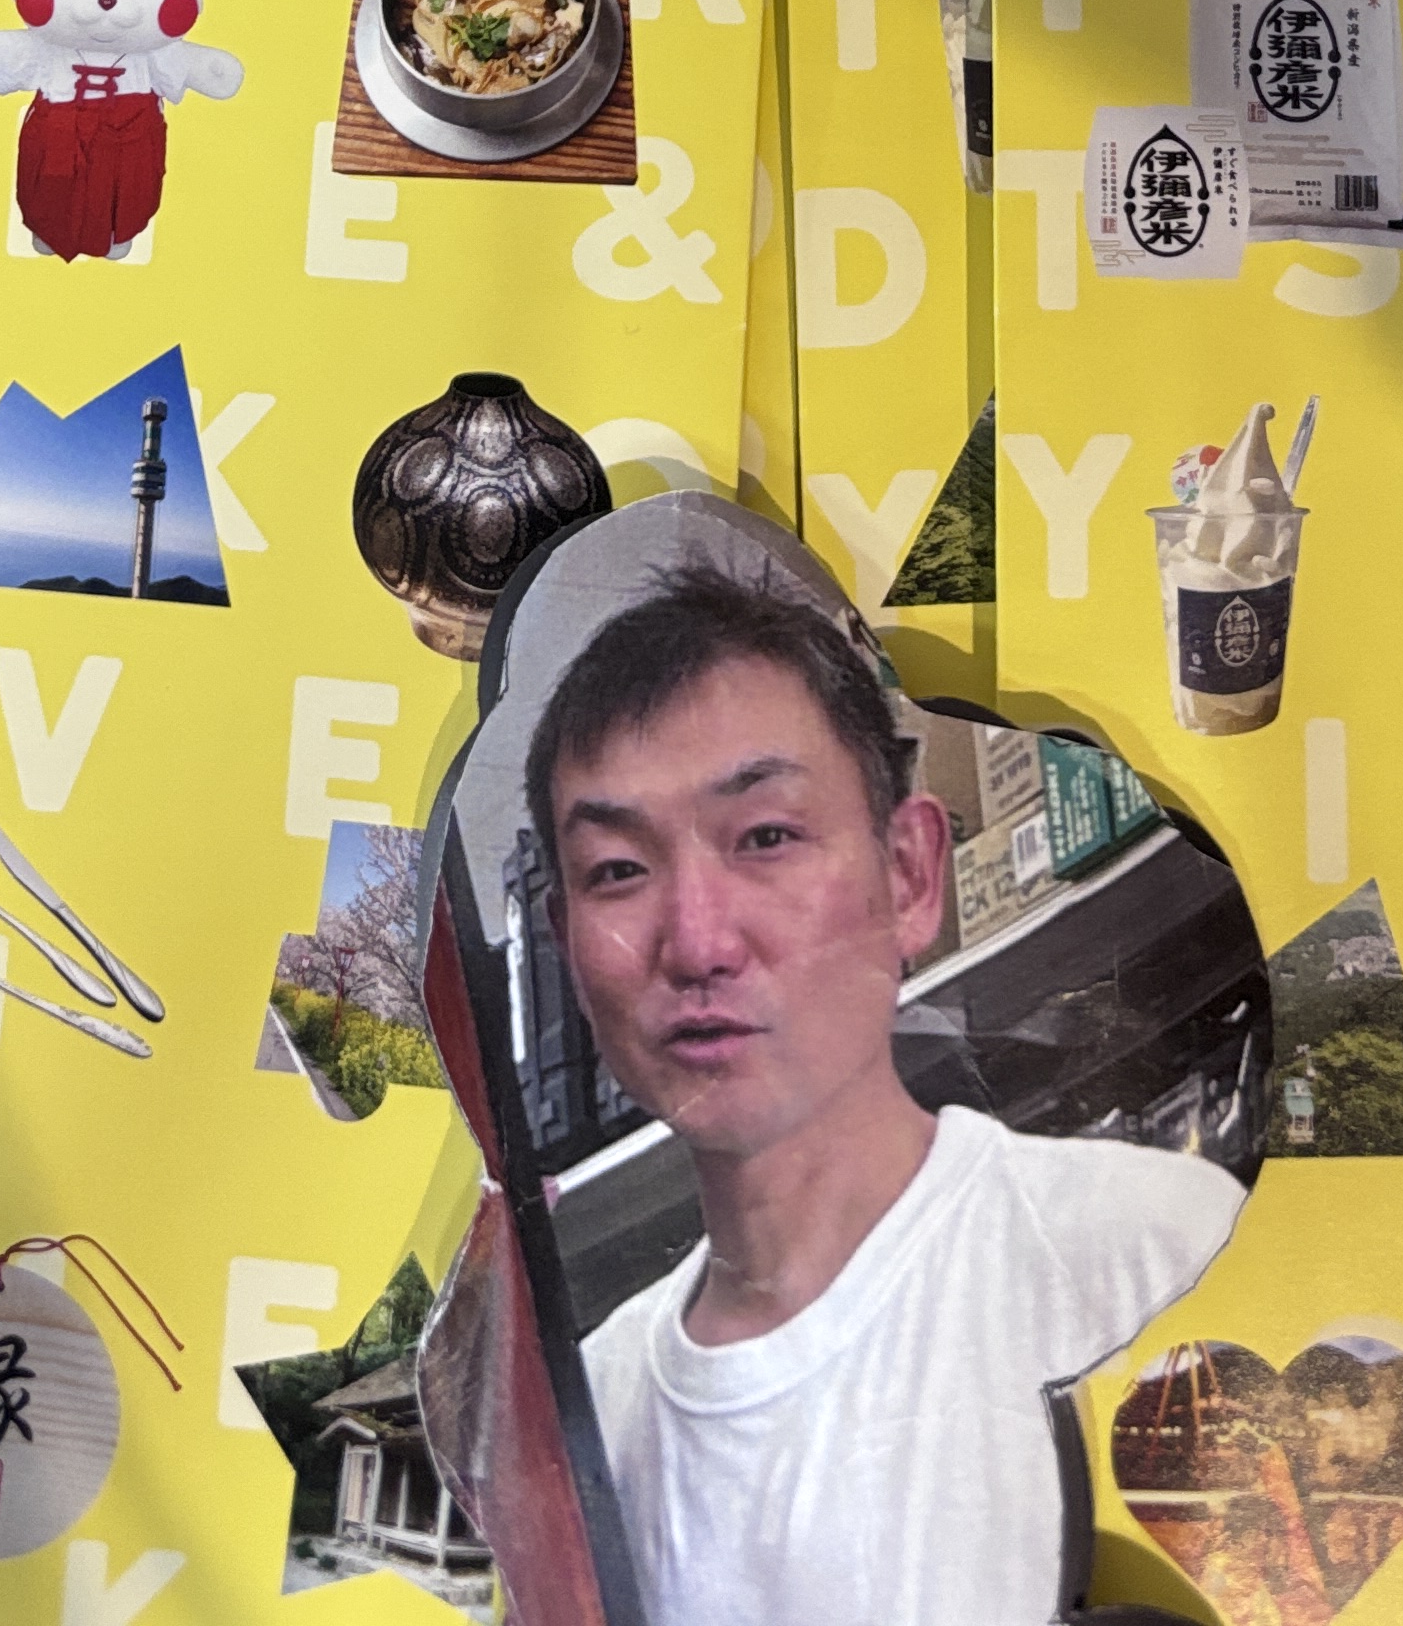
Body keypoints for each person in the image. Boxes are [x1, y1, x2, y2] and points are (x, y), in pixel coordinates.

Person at [526, 560, 1243, 1626]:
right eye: (618, 870)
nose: (697, 942)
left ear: (909, 874)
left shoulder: (1155, 1253)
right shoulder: (581, 1432)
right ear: (565, 943)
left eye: (766, 837)